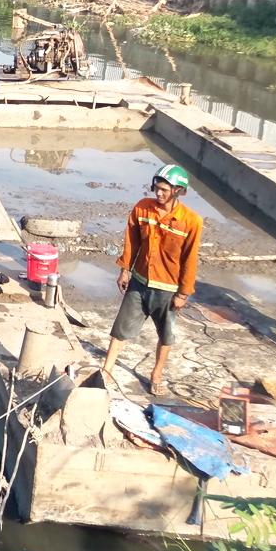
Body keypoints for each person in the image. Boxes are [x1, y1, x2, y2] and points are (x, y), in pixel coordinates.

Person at [101, 165, 203, 396]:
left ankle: (156, 375)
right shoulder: (143, 209)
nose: (159, 194)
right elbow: (132, 241)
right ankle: (107, 370)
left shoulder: (191, 222)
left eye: (165, 190)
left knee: (165, 335)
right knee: (120, 329)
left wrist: (183, 293)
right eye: (157, 188)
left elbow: (190, 260)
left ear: (178, 191)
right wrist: (124, 270)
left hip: (168, 289)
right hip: (139, 281)